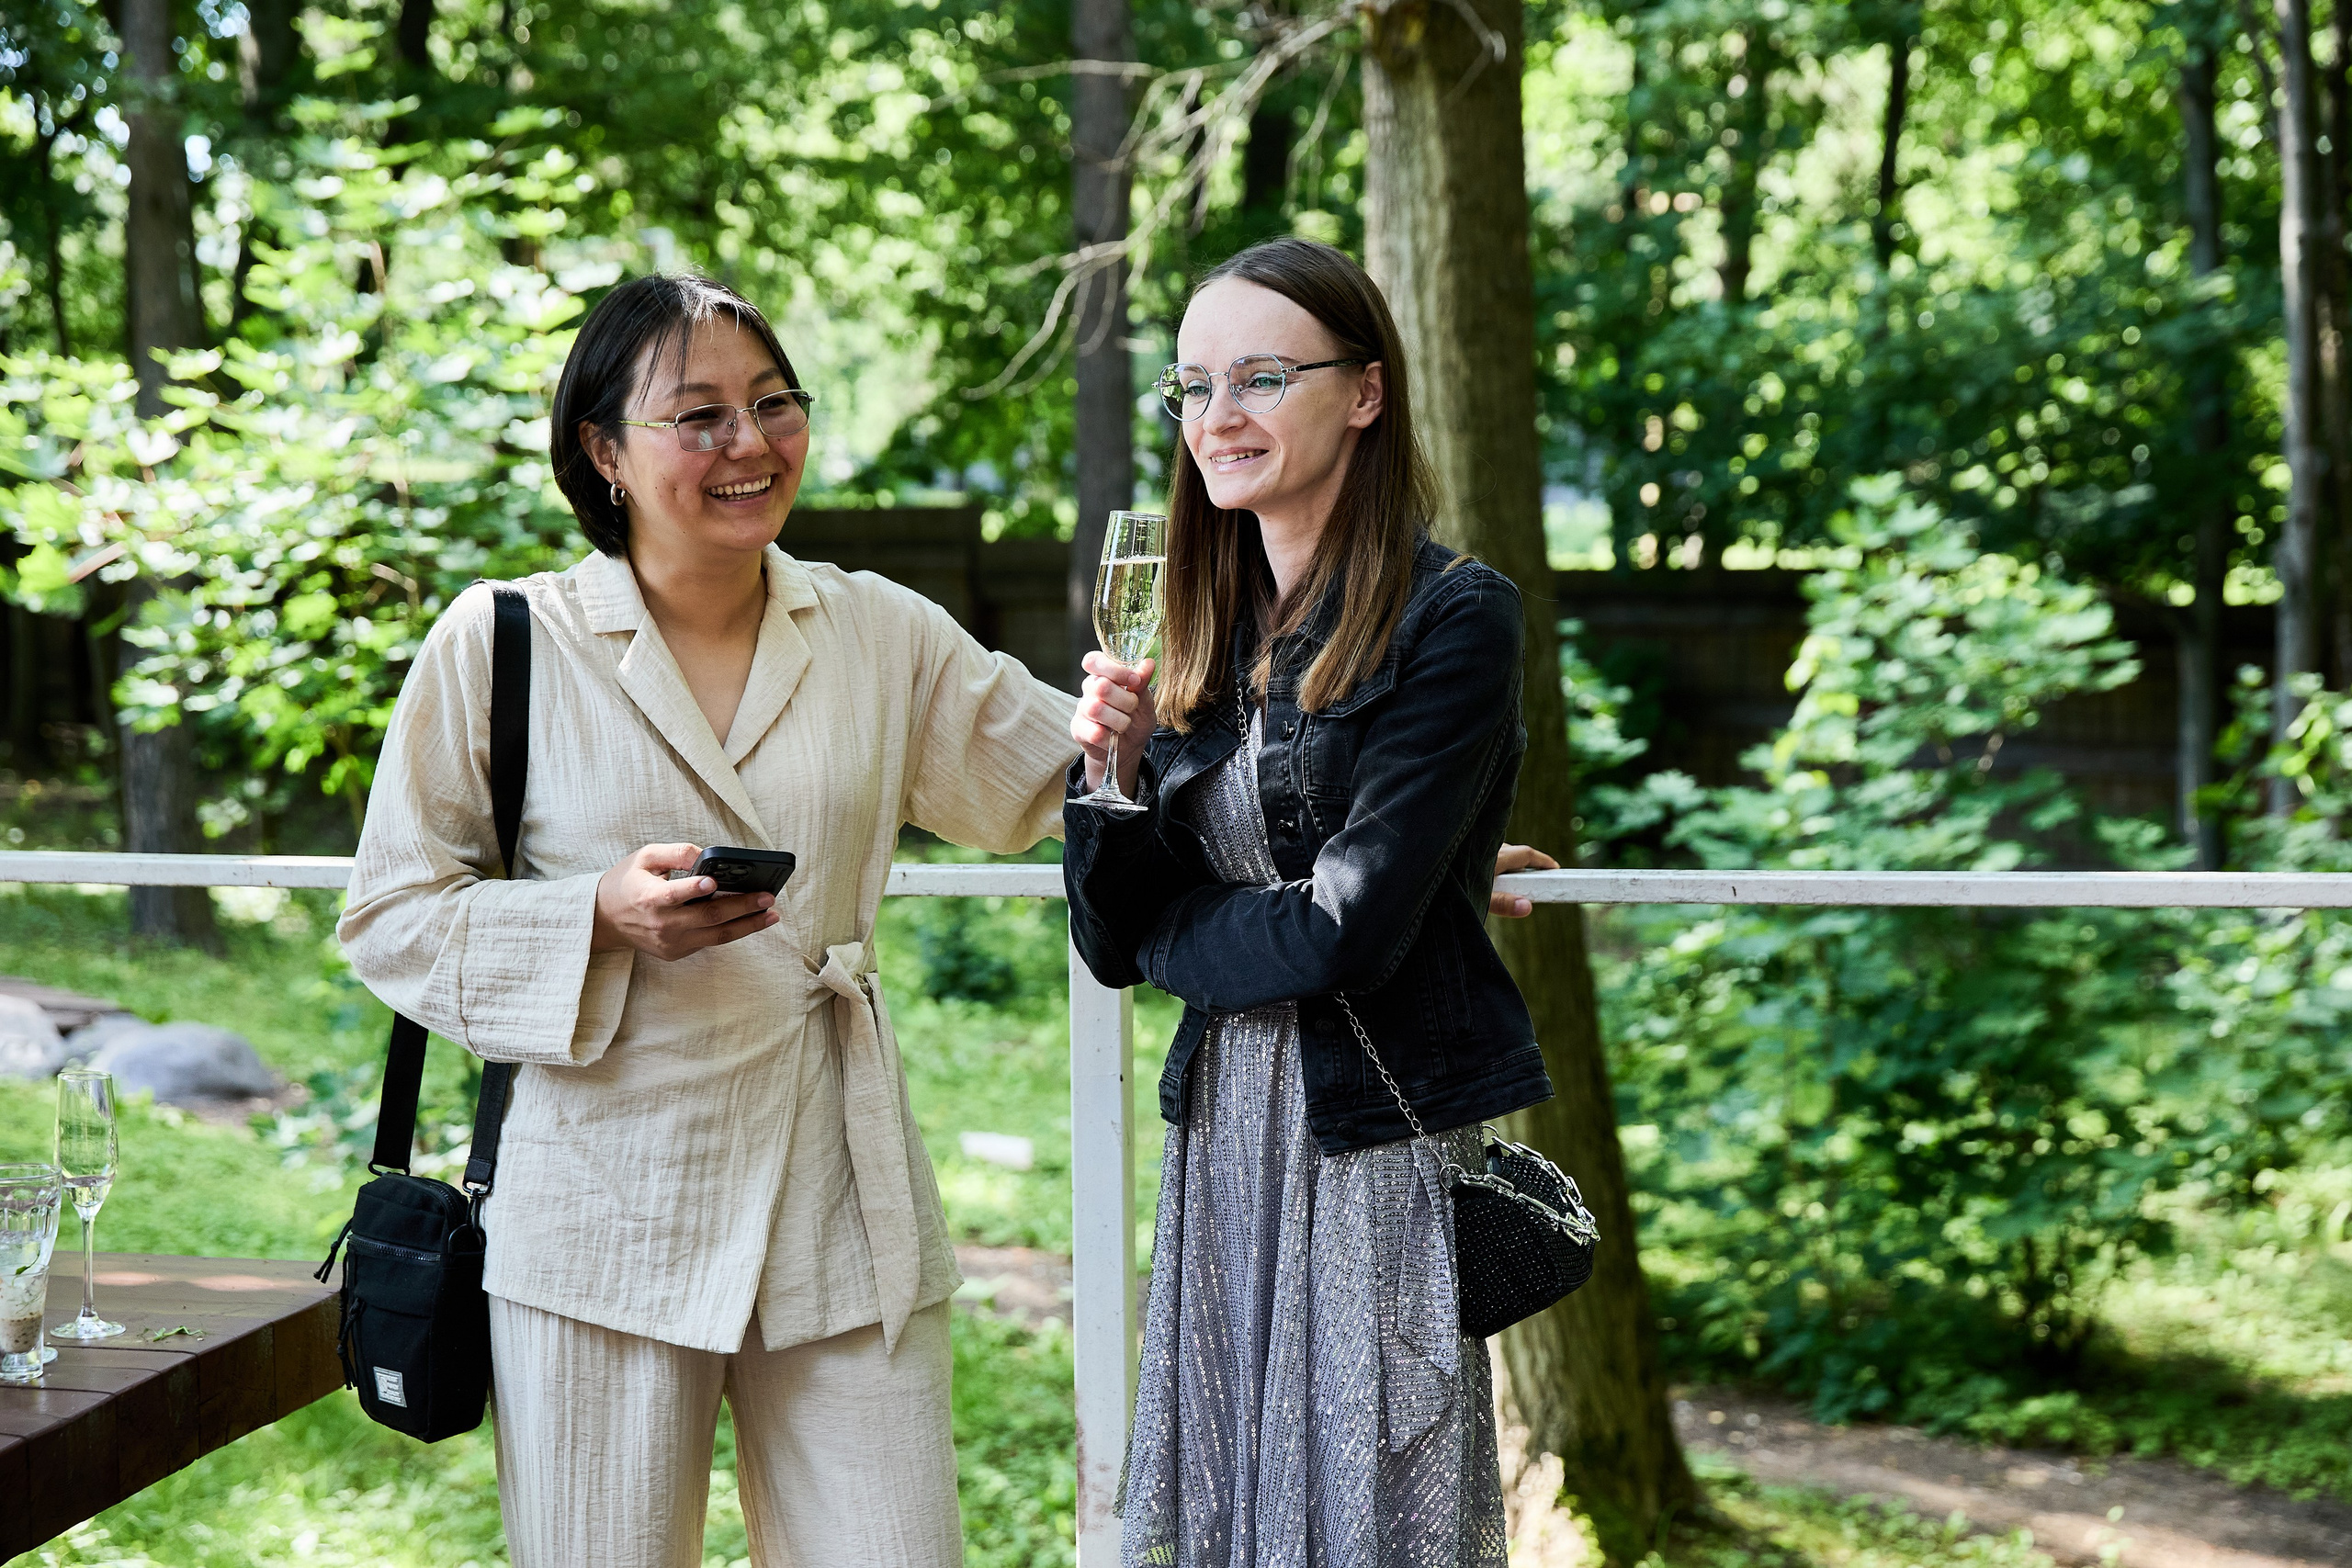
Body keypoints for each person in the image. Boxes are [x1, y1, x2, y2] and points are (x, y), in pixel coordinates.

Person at [336, 273, 1077, 1568]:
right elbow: (392, 918)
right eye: (699, 415)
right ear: (601, 450)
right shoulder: (505, 640)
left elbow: (1084, 777)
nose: (750, 443)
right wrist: (597, 918)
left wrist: (1396, 838)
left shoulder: (877, 631)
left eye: (774, 402)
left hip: (841, 1198)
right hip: (600, 1214)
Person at [1063, 237, 1554, 1566]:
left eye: (1263, 377)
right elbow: (1110, 941)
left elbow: (1347, 932)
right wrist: (1103, 779)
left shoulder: (1454, 619)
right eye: (1193, 385)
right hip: (1223, 1128)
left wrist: (1187, 925)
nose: (1218, 417)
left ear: (1366, 393)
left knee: (1372, 1509)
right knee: (1238, 1505)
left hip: (1370, 1130)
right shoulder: (1198, 635)